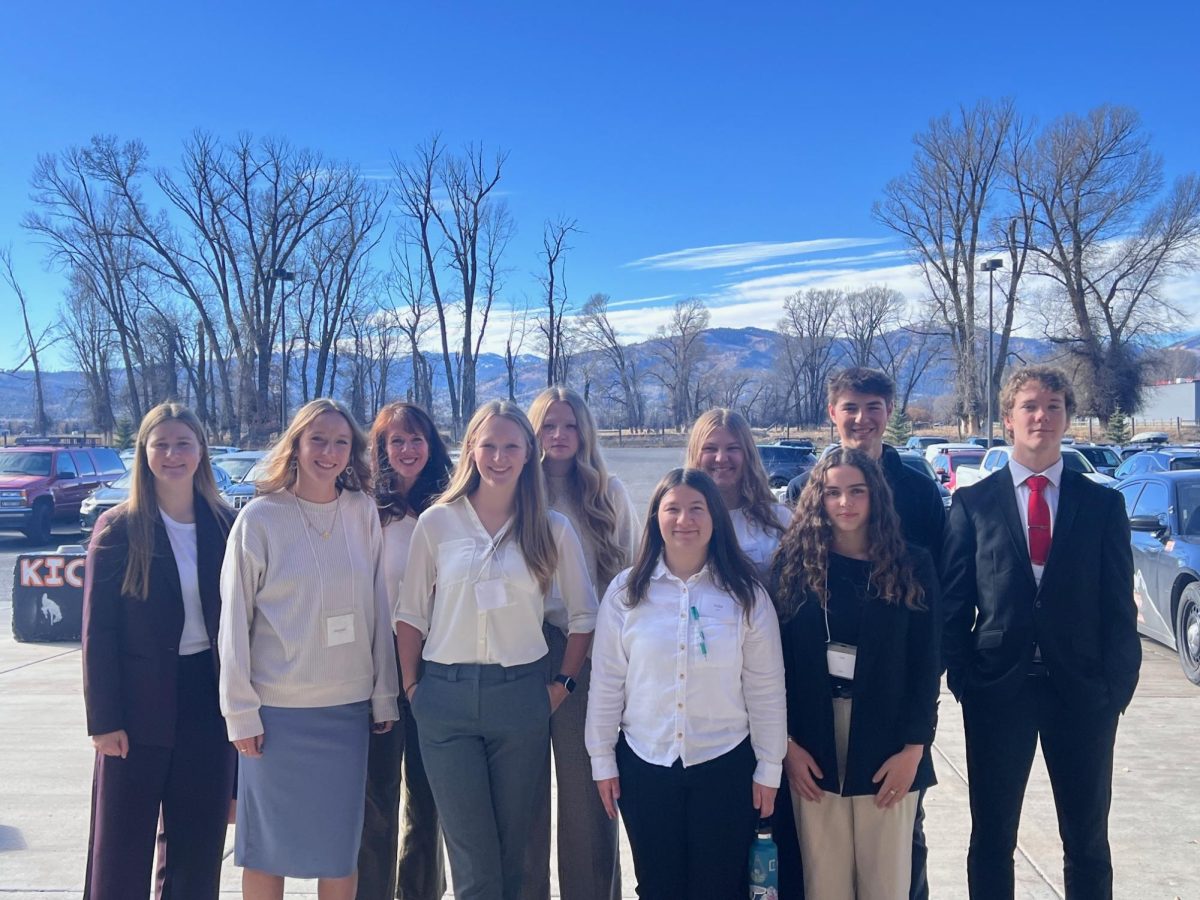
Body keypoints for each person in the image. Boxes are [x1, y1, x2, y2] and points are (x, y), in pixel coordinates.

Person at [941, 366, 1141, 900]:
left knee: (1088, 842)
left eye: (1054, 406)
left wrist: (1115, 687)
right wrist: (965, 679)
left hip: (1081, 695)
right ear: (1008, 419)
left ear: (1068, 418)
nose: (1042, 416)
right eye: (1030, 405)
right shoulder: (973, 503)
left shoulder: (1102, 504)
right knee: (991, 839)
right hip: (997, 693)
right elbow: (954, 604)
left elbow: (1118, 604)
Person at [394, 401, 598, 900]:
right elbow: (410, 614)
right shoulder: (439, 523)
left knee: (513, 857)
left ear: (529, 453)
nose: (500, 457)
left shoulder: (551, 528)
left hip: (521, 699)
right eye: (489, 445)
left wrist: (562, 685)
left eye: (511, 446)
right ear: (471, 450)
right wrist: (413, 687)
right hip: (445, 701)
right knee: (474, 863)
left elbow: (584, 615)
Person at [219, 398, 400, 900]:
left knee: (338, 851)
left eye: (341, 442)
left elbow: (377, 608)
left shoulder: (362, 513)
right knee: (264, 850)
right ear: (295, 444)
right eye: (318, 439)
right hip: (274, 715)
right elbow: (233, 621)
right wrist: (239, 712)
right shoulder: (259, 519)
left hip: (346, 713)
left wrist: (384, 693)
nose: (329, 451)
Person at [782, 367, 945, 900]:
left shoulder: (915, 549)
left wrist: (916, 745)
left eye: (857, 492)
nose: (845, 503)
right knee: (823, 878)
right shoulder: (795, 566)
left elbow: (927, 657)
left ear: (877, 496)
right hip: (814, 729)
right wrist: (784, 742)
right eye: (832, 494)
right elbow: (774, 660)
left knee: (890, 876)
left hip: (888, 721)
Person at [586, 467, 787, 900]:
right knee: (658, 888)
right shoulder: (626, 594)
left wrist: (770, 768)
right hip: (646, 765)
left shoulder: (746, 595)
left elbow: (766, 689)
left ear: (715, 517)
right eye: (672, 509)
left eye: (696, 509)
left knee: (719, 887)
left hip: (726, 764)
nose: (685, 520)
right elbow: (606, 684)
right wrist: (602, 758)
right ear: (655, 517)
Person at [82, 402, 237, 899]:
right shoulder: (119, 528)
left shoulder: (226, 525)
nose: (173, 454)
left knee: (198, 848)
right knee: (121, 849)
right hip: (135, 704)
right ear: (144, 453)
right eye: (161, 444)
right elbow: (97, 632)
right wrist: (103, 721)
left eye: (183, 443)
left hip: (207, 704)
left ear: (201, 452)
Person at [523, 387, 638, 900]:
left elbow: (637, 573)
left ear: (584, 431)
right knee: (521, 799)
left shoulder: (607, 491)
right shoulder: (517, 490)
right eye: (548, 426)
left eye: (569, 426)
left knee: (586, 798)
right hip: (522, 647)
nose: (559, 436)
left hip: (588, 651)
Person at [357, 403, 454, 900]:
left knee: (428, 803)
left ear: (432, 445)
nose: (407, 449)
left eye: (417, 439)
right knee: (375, 802)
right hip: (378, 669)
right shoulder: (365, 512)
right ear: (382, 450)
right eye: (396, 441)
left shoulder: (455, 508)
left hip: (438, 670)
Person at [685, 408, 790, 571]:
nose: (721, 458)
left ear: (748, 454)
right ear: (695, 454)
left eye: (733, 448)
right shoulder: (681, 521)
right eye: (710, 449)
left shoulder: (779, 519)